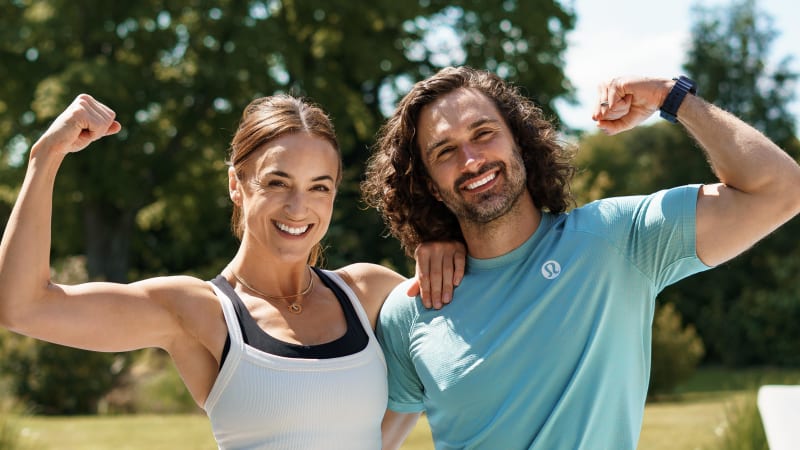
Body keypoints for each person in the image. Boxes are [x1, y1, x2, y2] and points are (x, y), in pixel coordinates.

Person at [363, 66, 800, 449]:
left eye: (484, 133)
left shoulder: (617, 239)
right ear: (430, 185)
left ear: (520, 141)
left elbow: (781, 190)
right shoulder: (412, 309)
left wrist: (672, 97)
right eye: (445, 151)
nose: (472, 160)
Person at [0, 93, 465, 449]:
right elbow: (22, 307)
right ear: (236, 185)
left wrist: (444, 242)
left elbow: (469, 335)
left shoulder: (369, 292)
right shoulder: (197, 310)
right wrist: (46, 156)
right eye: (277, 182)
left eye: (319, 187)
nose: (298, 207)